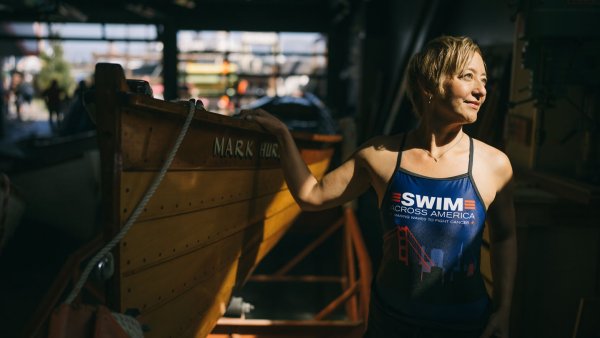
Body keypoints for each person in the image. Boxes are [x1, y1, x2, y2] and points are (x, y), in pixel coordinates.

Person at [240, 35, 516, 338]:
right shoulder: (381, 157)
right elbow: (311, 195)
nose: (481, 90)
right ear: (429, 85)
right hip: (392, 323)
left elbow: (505, 236)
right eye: (467, 77)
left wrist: (503, 310)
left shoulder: (494, 165)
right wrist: (283, 135)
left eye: (484, 80)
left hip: (465, 325)